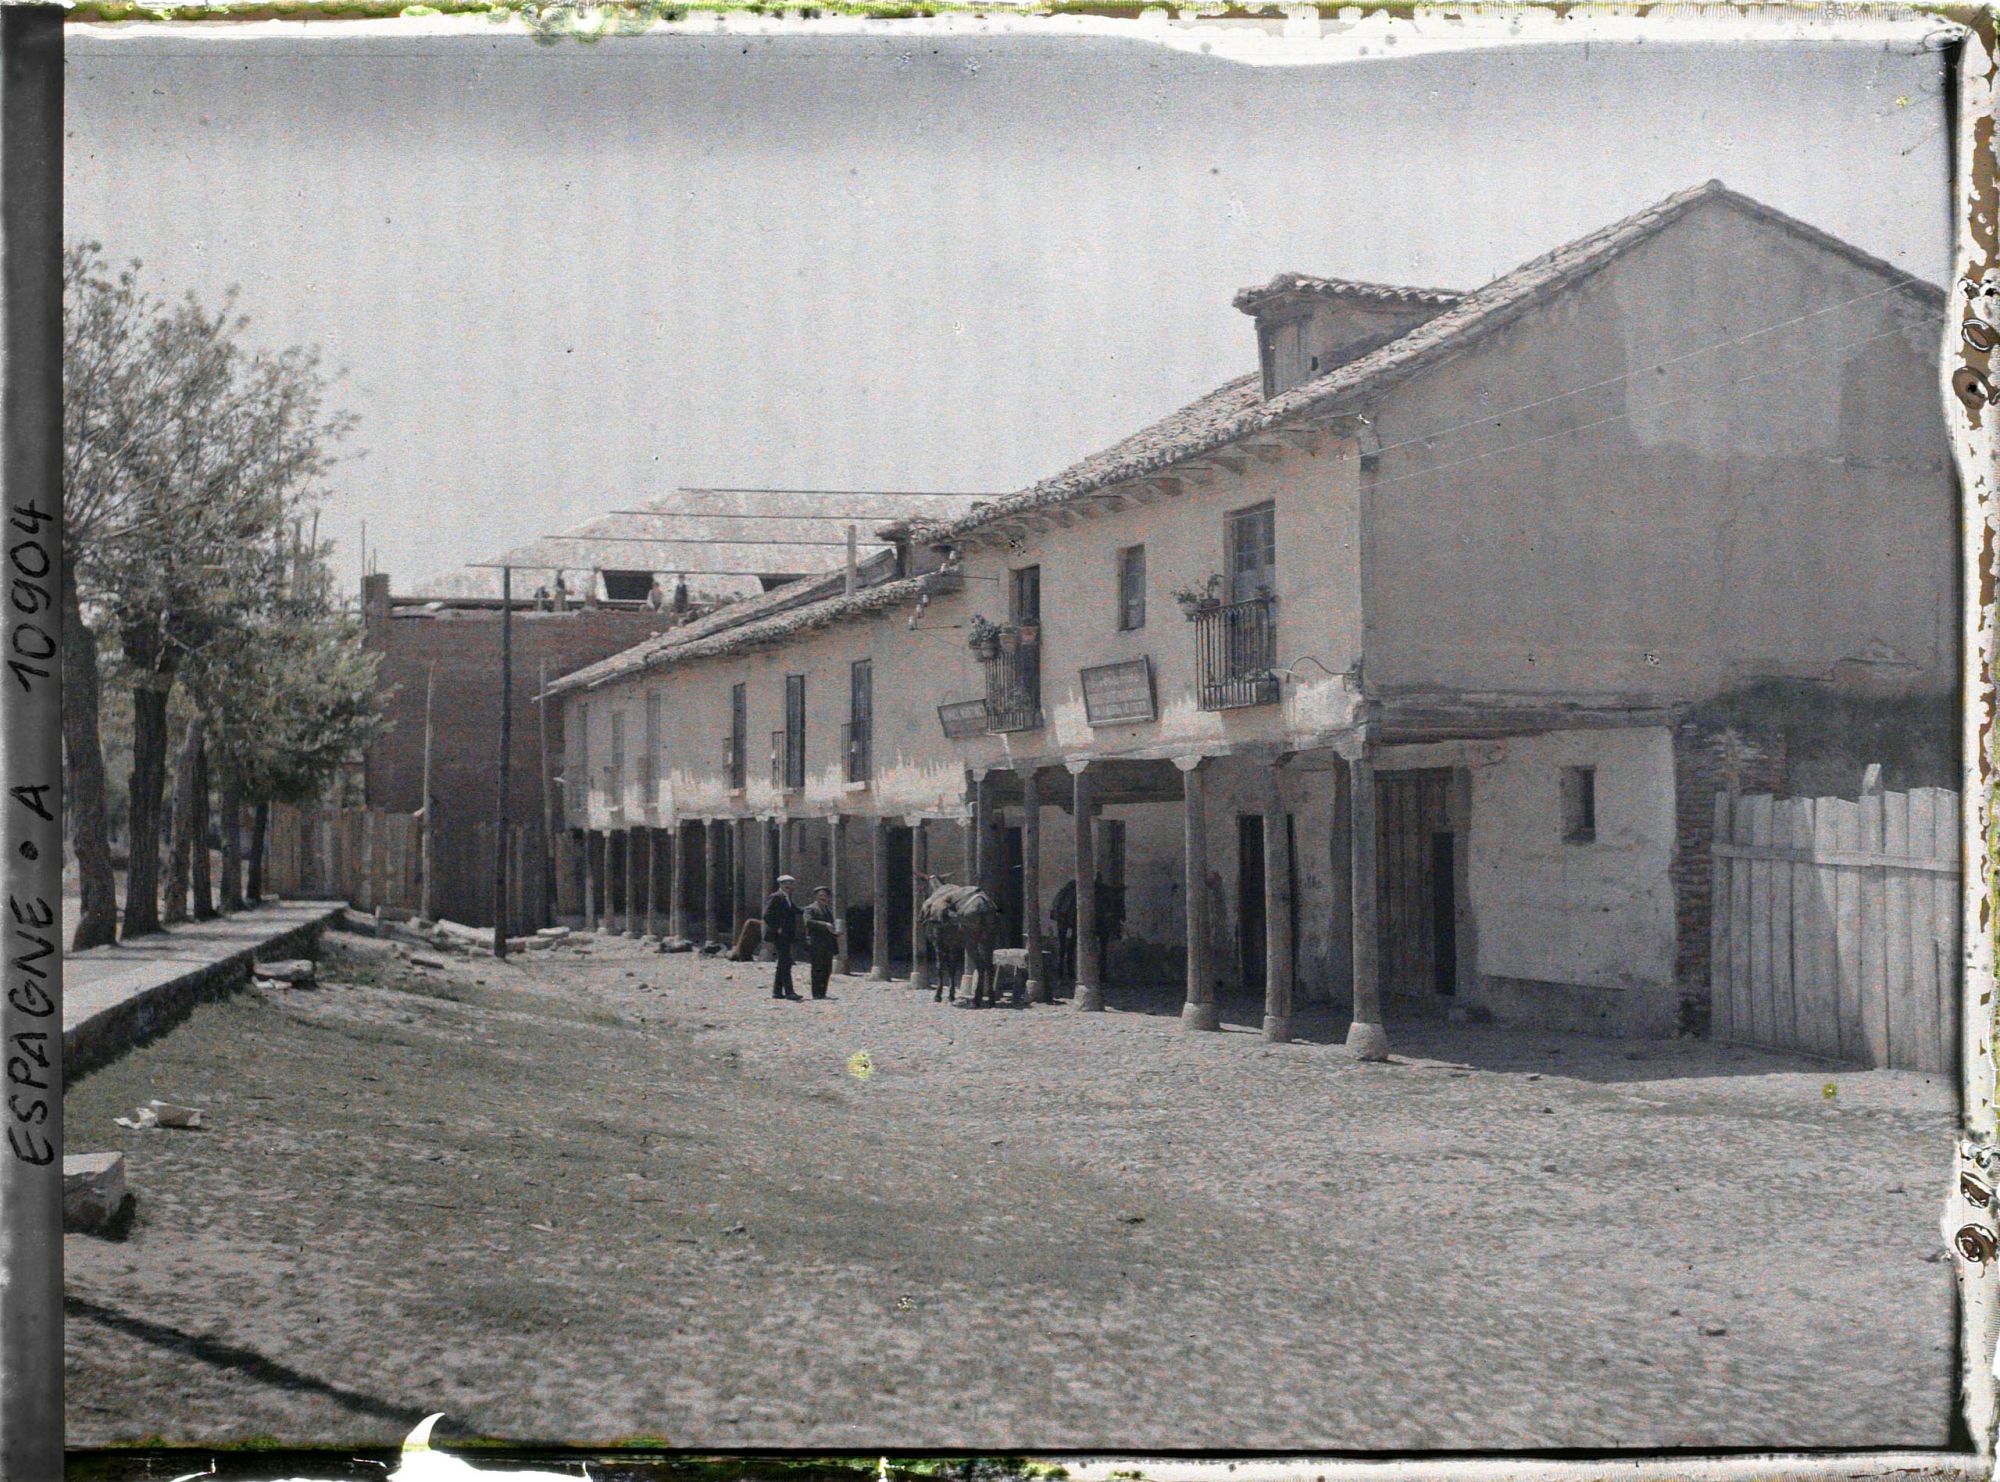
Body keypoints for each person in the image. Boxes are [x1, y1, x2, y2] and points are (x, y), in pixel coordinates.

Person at [763, 873, 803, 1000]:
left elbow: (797, 910)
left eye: (790, 884)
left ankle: (777, 991)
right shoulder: (775, 897)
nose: (788, 886)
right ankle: (789, 992)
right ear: (780, 885)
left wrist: (811, 909)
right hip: (779, 936)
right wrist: (777, 928)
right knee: (786, 962)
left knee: (783, 962)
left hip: (787, 935)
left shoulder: (787, 898)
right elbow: (767, 915)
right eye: (785, 883)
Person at [803, 885, 840, 999]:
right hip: (816, 943)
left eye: (824, 895)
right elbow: (808, 922)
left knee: (827, 968)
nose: (822, 898)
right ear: (816, 897)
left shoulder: (828, 909)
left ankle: (823, 992)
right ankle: (816, 993)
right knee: (817, 968)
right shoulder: (810, 909)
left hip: (828, 943)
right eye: (820, 895)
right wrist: (825, 925)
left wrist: (835, 931)